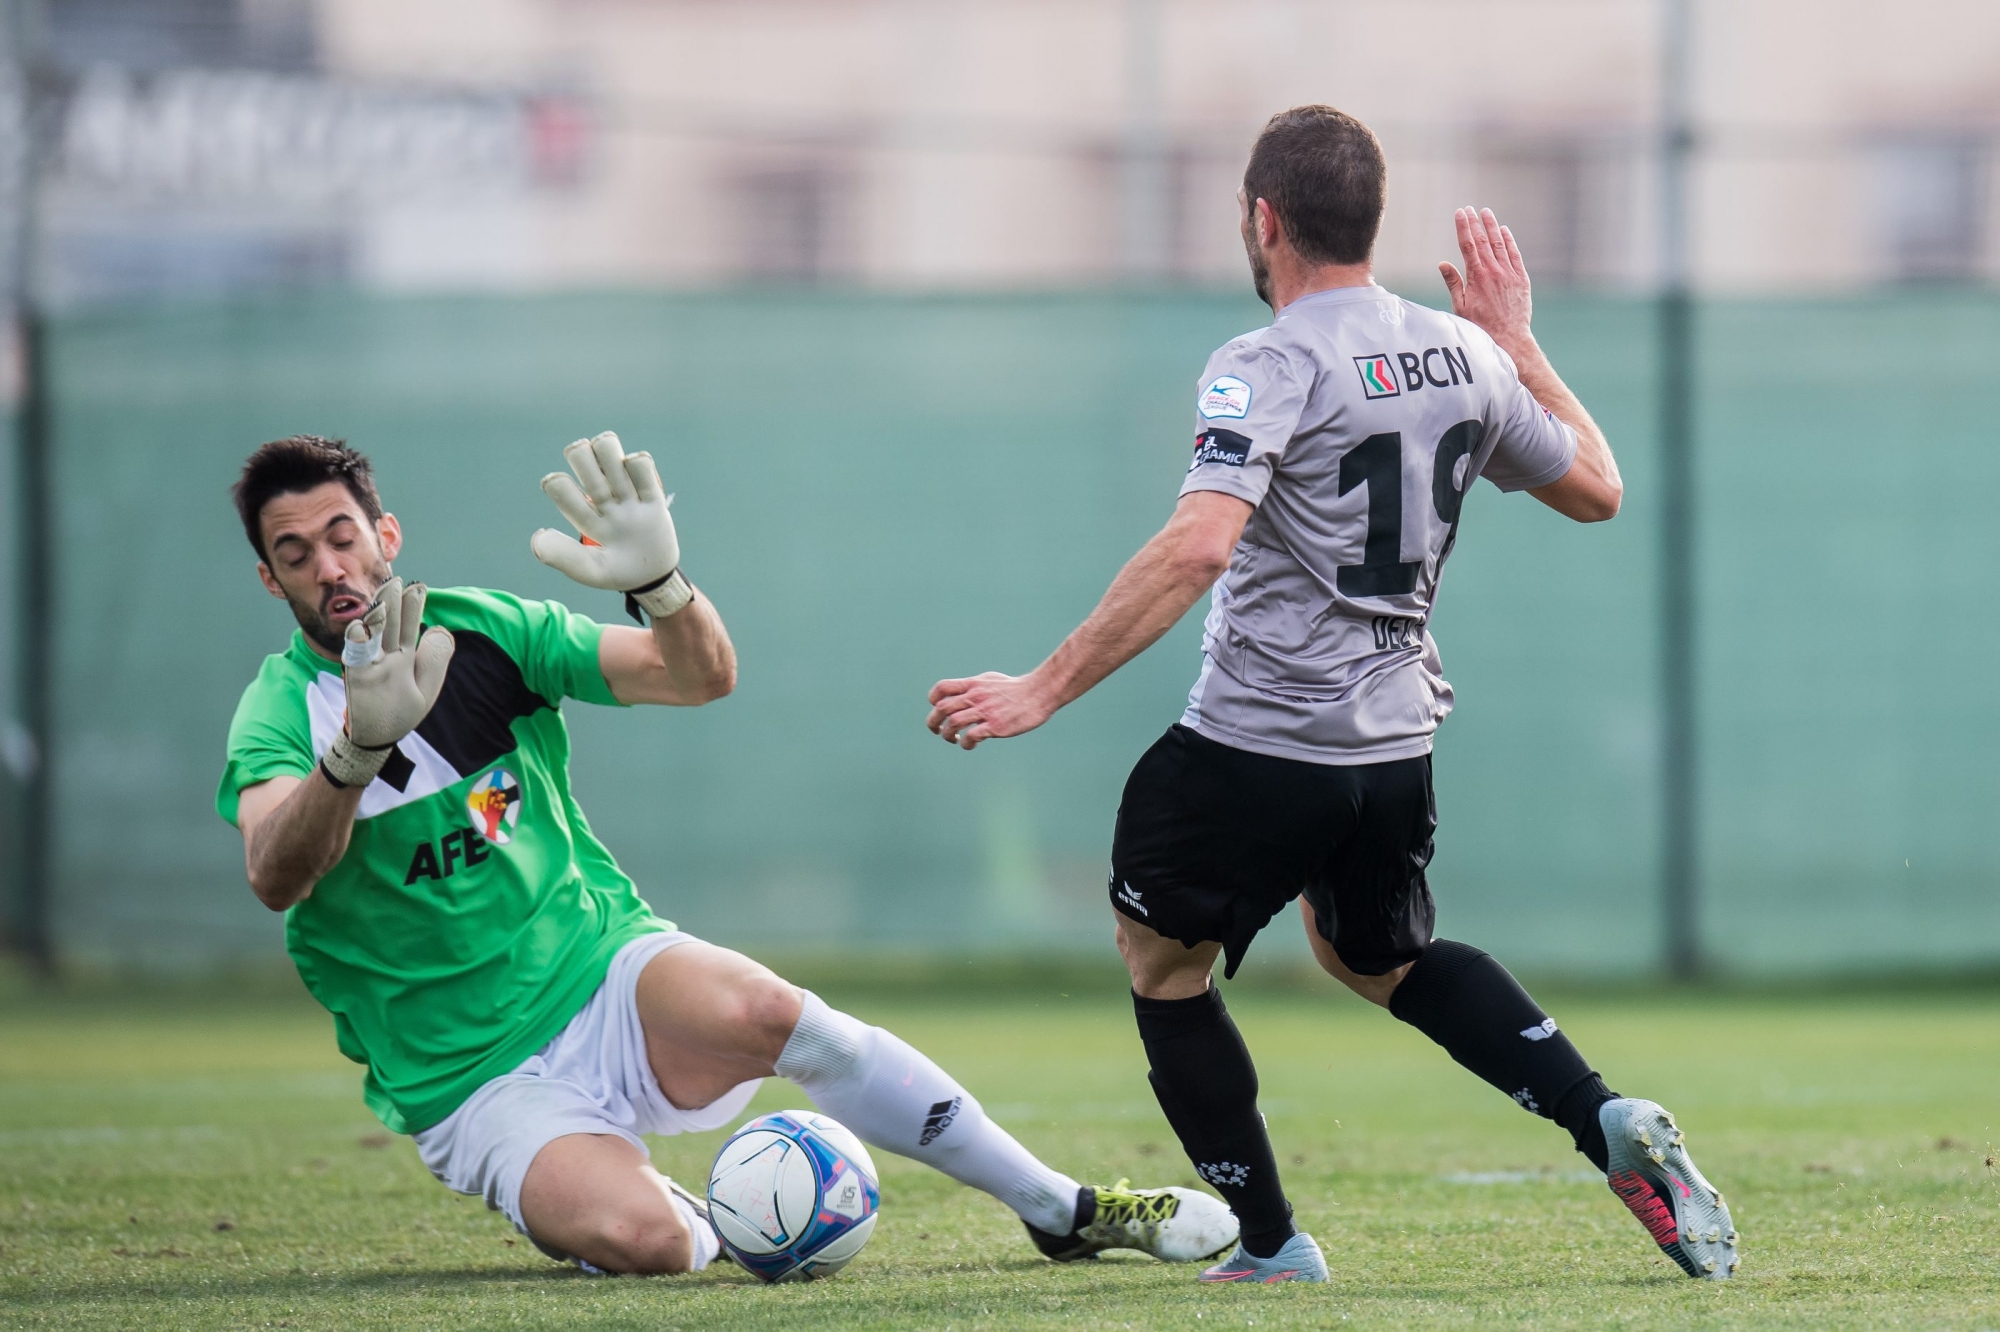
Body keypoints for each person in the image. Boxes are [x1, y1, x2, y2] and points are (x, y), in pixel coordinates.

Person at [924, 105, 1738, 1284]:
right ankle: (1599, 1115)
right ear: (1372, 218)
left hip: (1256, 741)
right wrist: (1518, 344)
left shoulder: (1265, 361)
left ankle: (1269, 1245)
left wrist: (1041, 688)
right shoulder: (1463, 355)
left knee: (1162, 963)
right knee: (1374, 957)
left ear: (1263, 220)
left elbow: (1200, 545)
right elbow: (1597, 489)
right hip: (1390, 749)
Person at [218, 430, 1238, 1275]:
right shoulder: (276, 714)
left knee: (783, 1017)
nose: (329, 567)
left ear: (385, 535)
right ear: (271, 579)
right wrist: (355, 753)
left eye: (341, 536)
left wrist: (661, 584)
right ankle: (659, 1209)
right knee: (647, 1244)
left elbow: (696, 676)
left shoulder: (484, 631)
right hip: (467, 1075)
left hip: (593, 967)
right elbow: (276, 875)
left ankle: (1060, 1207)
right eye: (296, 552)